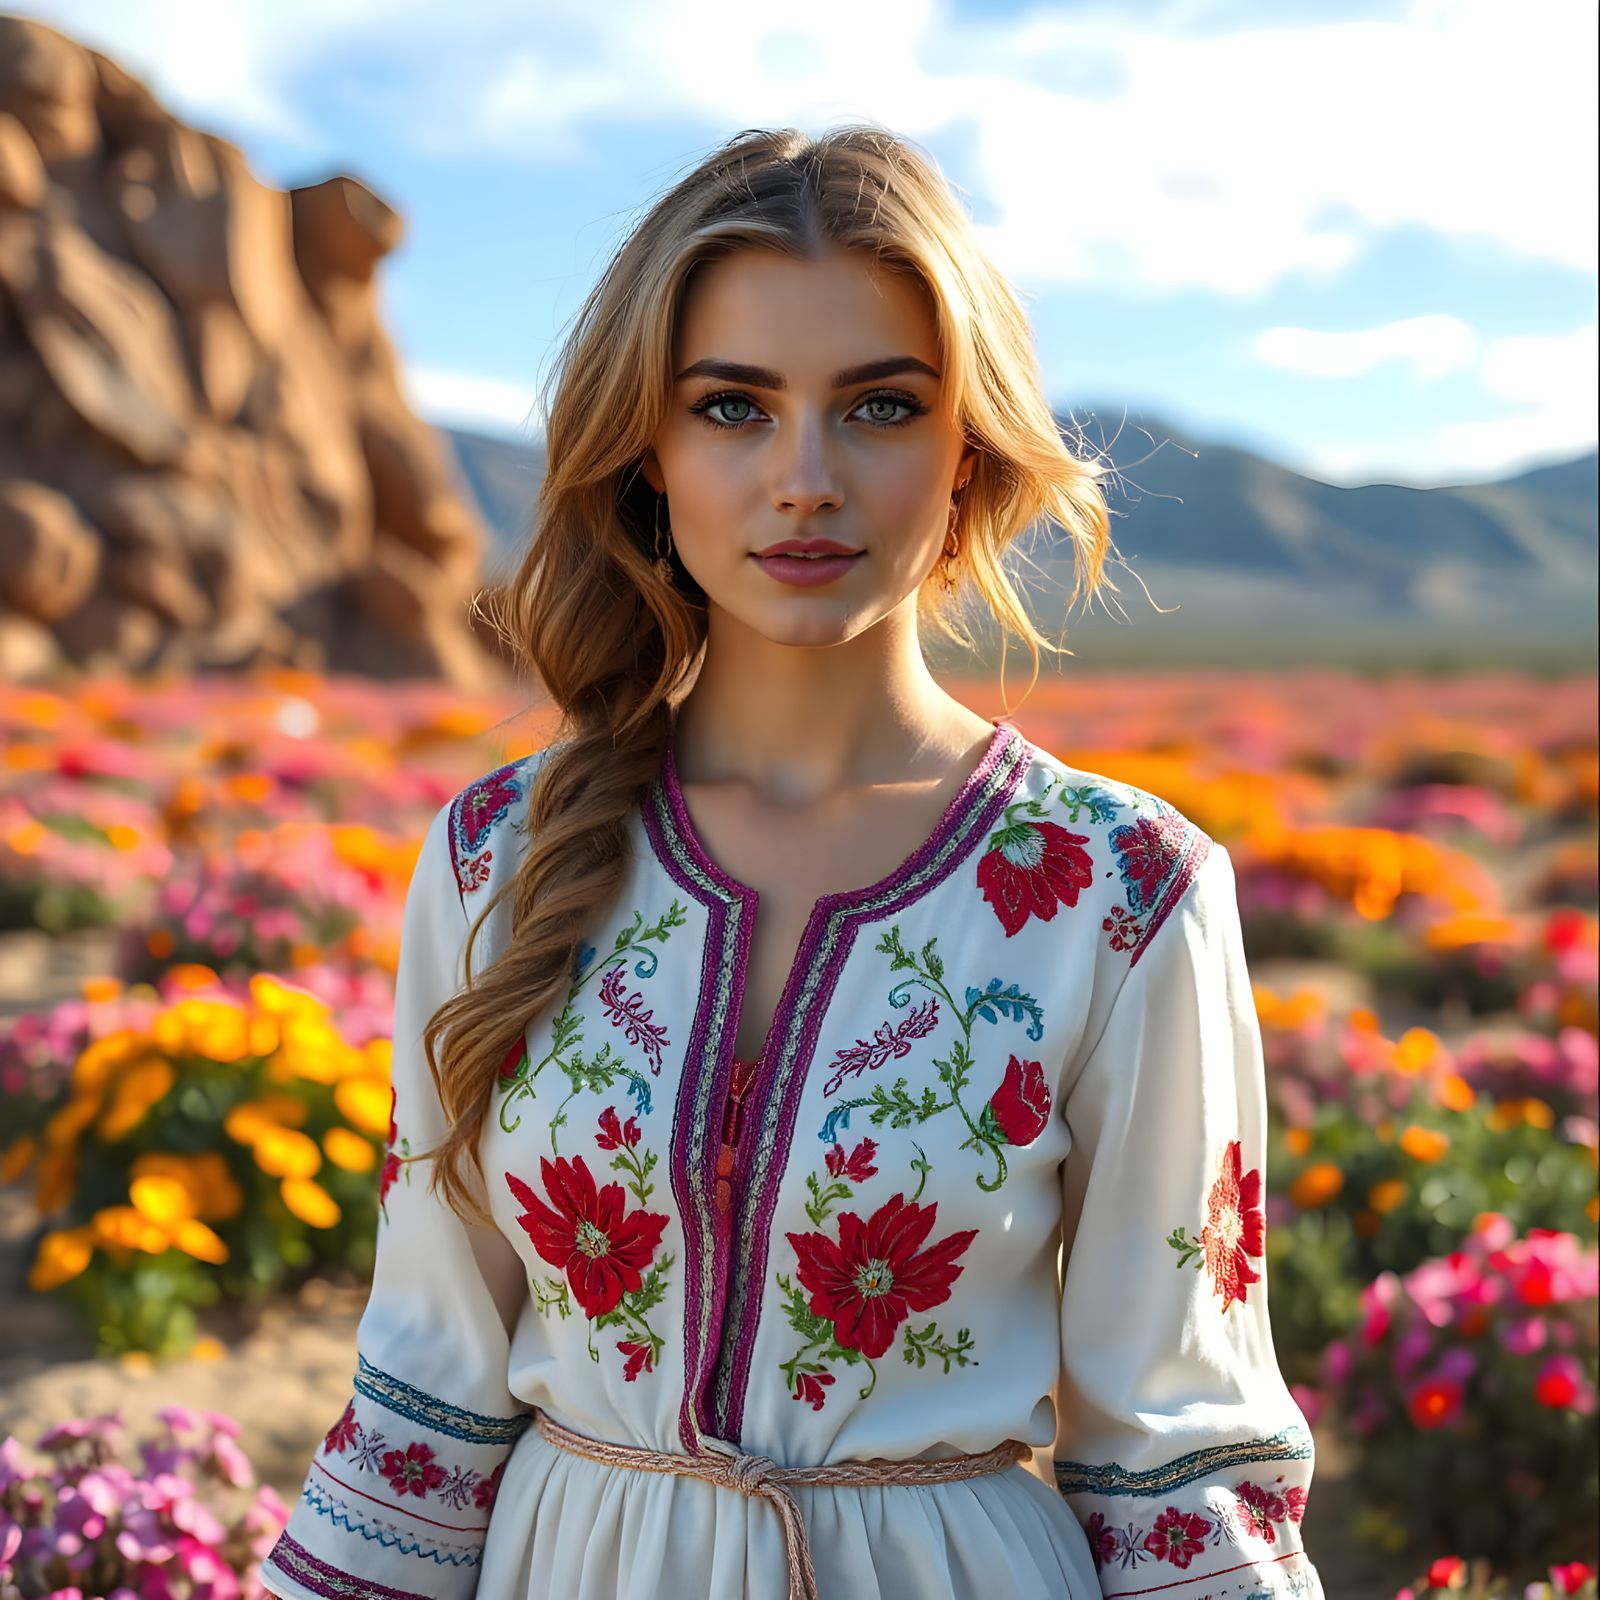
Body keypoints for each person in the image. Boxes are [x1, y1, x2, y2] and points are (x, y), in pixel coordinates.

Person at [260, 124, 1324, 1600]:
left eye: (881, 406)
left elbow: (1178, 1450)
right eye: (734, 408)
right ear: (650, 448)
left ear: (968, 450)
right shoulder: (498, 853)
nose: (806, 478)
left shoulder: (1122, 890)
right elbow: (424, 1388)